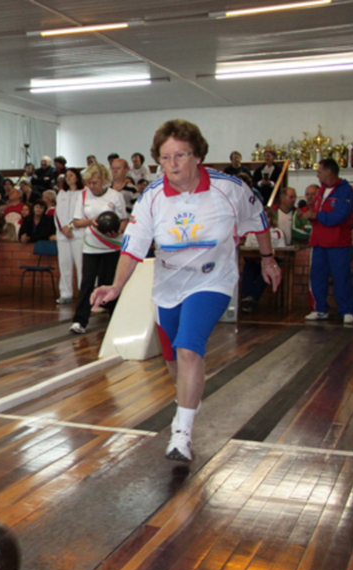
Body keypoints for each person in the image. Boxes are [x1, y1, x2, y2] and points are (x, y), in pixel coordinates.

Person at [91, 119, 280, 462]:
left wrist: (268, 260)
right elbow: (133, 248)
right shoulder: (152, 197)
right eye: (165, 157)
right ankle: (189, 401)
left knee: (189, 348)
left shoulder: (230, 188)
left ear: (197, 156)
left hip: (213, 280)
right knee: (174, 362)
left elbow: (261, 222)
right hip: (168, 284)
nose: (173, 164)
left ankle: (182, 433)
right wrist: (116, 286)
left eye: (180, 155)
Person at [69, 162, 127, 335]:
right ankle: (80, 321)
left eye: (95, 182)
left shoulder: (115, 196)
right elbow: (76, 222)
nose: (92, 186)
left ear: (104, 180)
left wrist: (118, 232)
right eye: (89, 183)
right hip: (91, 247)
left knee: (111, 283)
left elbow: (124, 220)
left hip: (112, 246)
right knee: (87, 283)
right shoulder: (83, 196)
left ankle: (115, 318)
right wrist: (90, 221)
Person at [303, 158, 353, 324]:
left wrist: (317, 216)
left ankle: (347, 310)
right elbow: (318, 213)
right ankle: (320, 309)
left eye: (319, 171)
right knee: (317, 277)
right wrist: (311, 216)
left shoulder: (346, 190)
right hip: (319, 242)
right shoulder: (320, 191)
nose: (317, 175)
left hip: (338, 243)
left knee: (341, 277)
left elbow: (340, 216)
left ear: (329, 172)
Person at [54, 168, 84, 304]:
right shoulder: (61, 193)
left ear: (77, 177)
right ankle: (65, 293)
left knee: (81, 264)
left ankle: (83, 293)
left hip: (78, 234)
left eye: (71, 175)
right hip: (63, 235)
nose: (68, 178)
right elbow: (58, 214)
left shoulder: (84, 193)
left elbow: (82, 212)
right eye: (66, 176)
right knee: (64, 264)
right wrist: (63, 229)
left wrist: (71, 226)